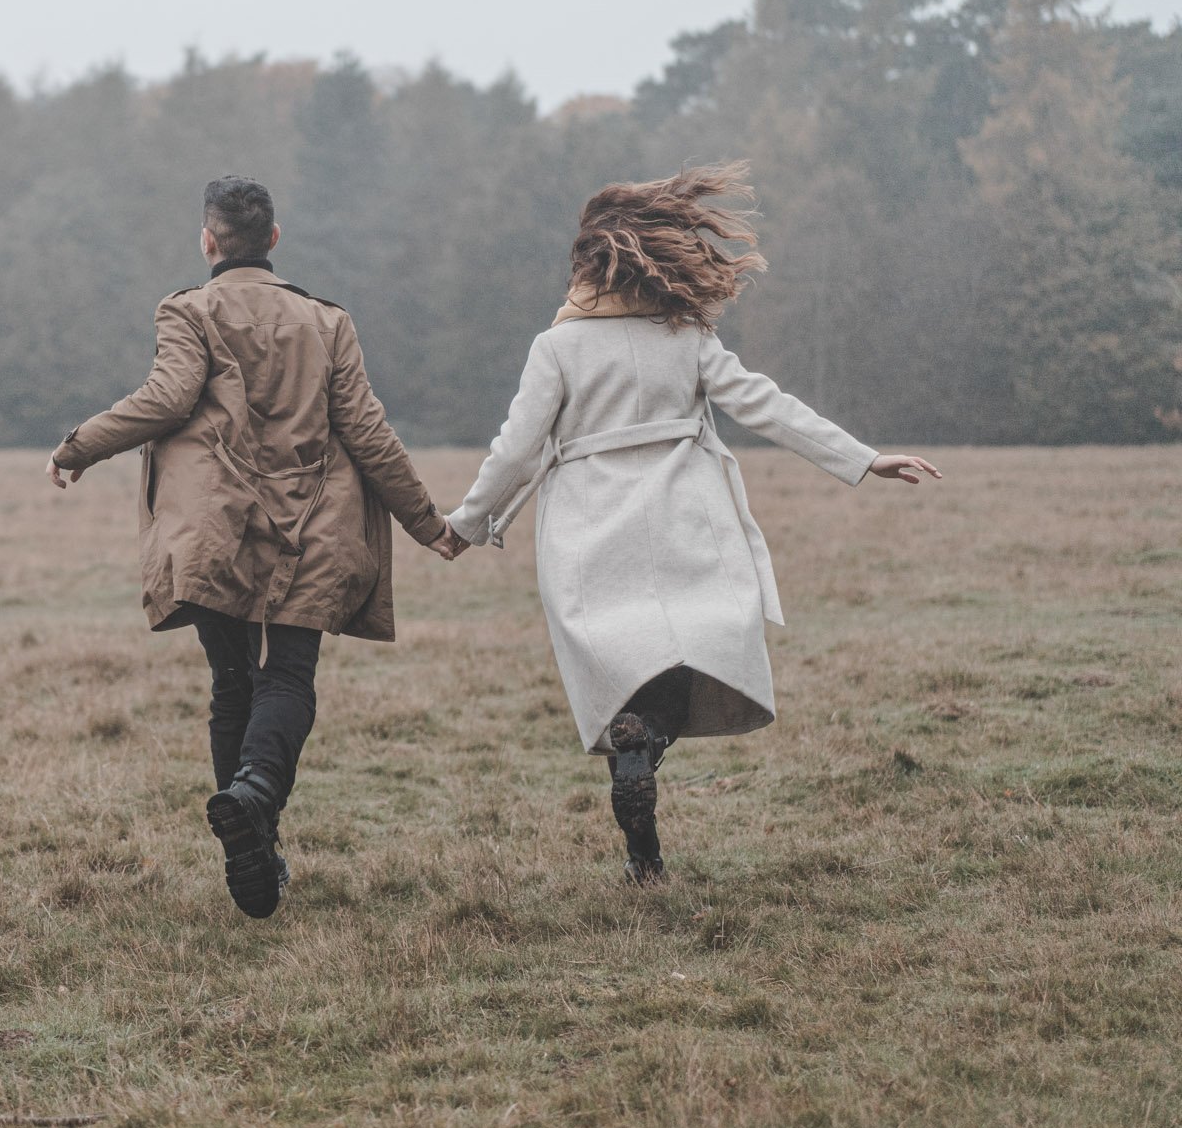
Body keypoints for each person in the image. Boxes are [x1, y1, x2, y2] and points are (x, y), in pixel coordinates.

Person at [443, 163, 940, 884]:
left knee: (623, 678)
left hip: (589, 535)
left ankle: (642, 843)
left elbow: (515, 449)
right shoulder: (687, 337)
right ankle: (646, 764)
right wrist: (864, 459)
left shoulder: (556, 348)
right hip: (684, 522)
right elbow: (767, 405)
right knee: (682, 661)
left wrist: (464, 525)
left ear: (588, 266)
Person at [47, 176, 468, 918]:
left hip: (216, 528)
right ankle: (256, 804)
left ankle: (250, 834)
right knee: (287, 678)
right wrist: (429, 523)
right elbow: (367, 431)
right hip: (313, 527)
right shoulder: (327, 321)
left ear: (208, 240)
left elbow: (168, 397)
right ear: (274, 238)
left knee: (232, 684)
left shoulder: (188, 310)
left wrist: (80, 445)